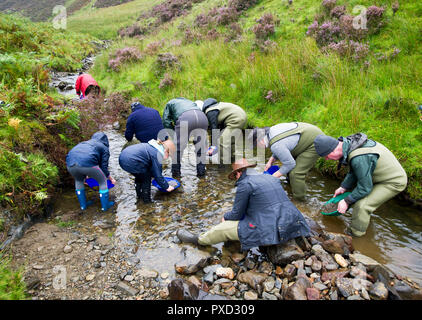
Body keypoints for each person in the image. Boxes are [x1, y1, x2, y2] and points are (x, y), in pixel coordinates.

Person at [176, 158, 311, 250]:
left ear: (239, 173)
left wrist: (225, 217)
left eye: (235, 175)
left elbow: (236, 214)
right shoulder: (270, 177)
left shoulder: (245, 184)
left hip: (273, 228)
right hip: (294, 221)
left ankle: (198, 240)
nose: (235, 178)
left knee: (221, 229)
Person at [314, 133, 408, 237]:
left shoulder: (359, 157)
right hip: (379, 176)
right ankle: (363, 221)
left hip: (393, 181)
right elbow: (355, 171)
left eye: (326, 156)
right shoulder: (350, 145)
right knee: (357, 197)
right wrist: (344, 186)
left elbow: (365, 188)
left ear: (334, 149)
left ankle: (355, 236)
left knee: (362, 206)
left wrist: (346, 201)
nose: (327, 159)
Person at [249, 122, 324, 201]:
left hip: (315, 142)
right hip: (309, 133)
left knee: (296, 173)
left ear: (259, 140)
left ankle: (301, 201)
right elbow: (282, 145)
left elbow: (290, 164)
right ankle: (293, 187)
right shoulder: (271, 131)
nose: (257, 148)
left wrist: (272, 177)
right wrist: (270, 161)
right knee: (289, 169)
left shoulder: (276, 145)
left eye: (256, 145)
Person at [66, 132, 116, 212]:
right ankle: (105, 207)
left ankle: (83, 206)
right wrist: (110, 178)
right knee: (103, 181)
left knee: (79, 180)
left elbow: (81, 159)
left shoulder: (84, 143)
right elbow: (103, 167)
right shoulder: (104, 147)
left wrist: (87, 176)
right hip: (87, 164)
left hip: (70, 163)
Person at [119, 138, 176, 203]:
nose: (168, 157)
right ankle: (147, 201)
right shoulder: (158, 155)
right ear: (166, 151)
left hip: (123, 158)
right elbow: (158, 175)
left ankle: (139, 195)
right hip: (131, 162)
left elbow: (150, 164)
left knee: (140, 175)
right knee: (146, 178)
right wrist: (167, 187)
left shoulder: (153, 146)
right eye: (169, 155)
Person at [162, 97, 208, 177]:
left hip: (186, 118)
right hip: (202, 117)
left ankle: (176, 175)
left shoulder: (170, 103)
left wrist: (174, 134)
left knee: (178, 150)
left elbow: (166, 121)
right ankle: (201, 174)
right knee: (200, 149)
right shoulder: (190, 102)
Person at [201, 98, 247, 163]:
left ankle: (223, 167)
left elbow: (214, 130)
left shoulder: (210, 111)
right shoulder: (218, 107)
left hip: (235, 119)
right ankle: (233, 162)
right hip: (241, 116)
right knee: (231, 141)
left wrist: (213, 147)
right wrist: (213, 146)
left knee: (222, 142)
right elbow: (219, 129)